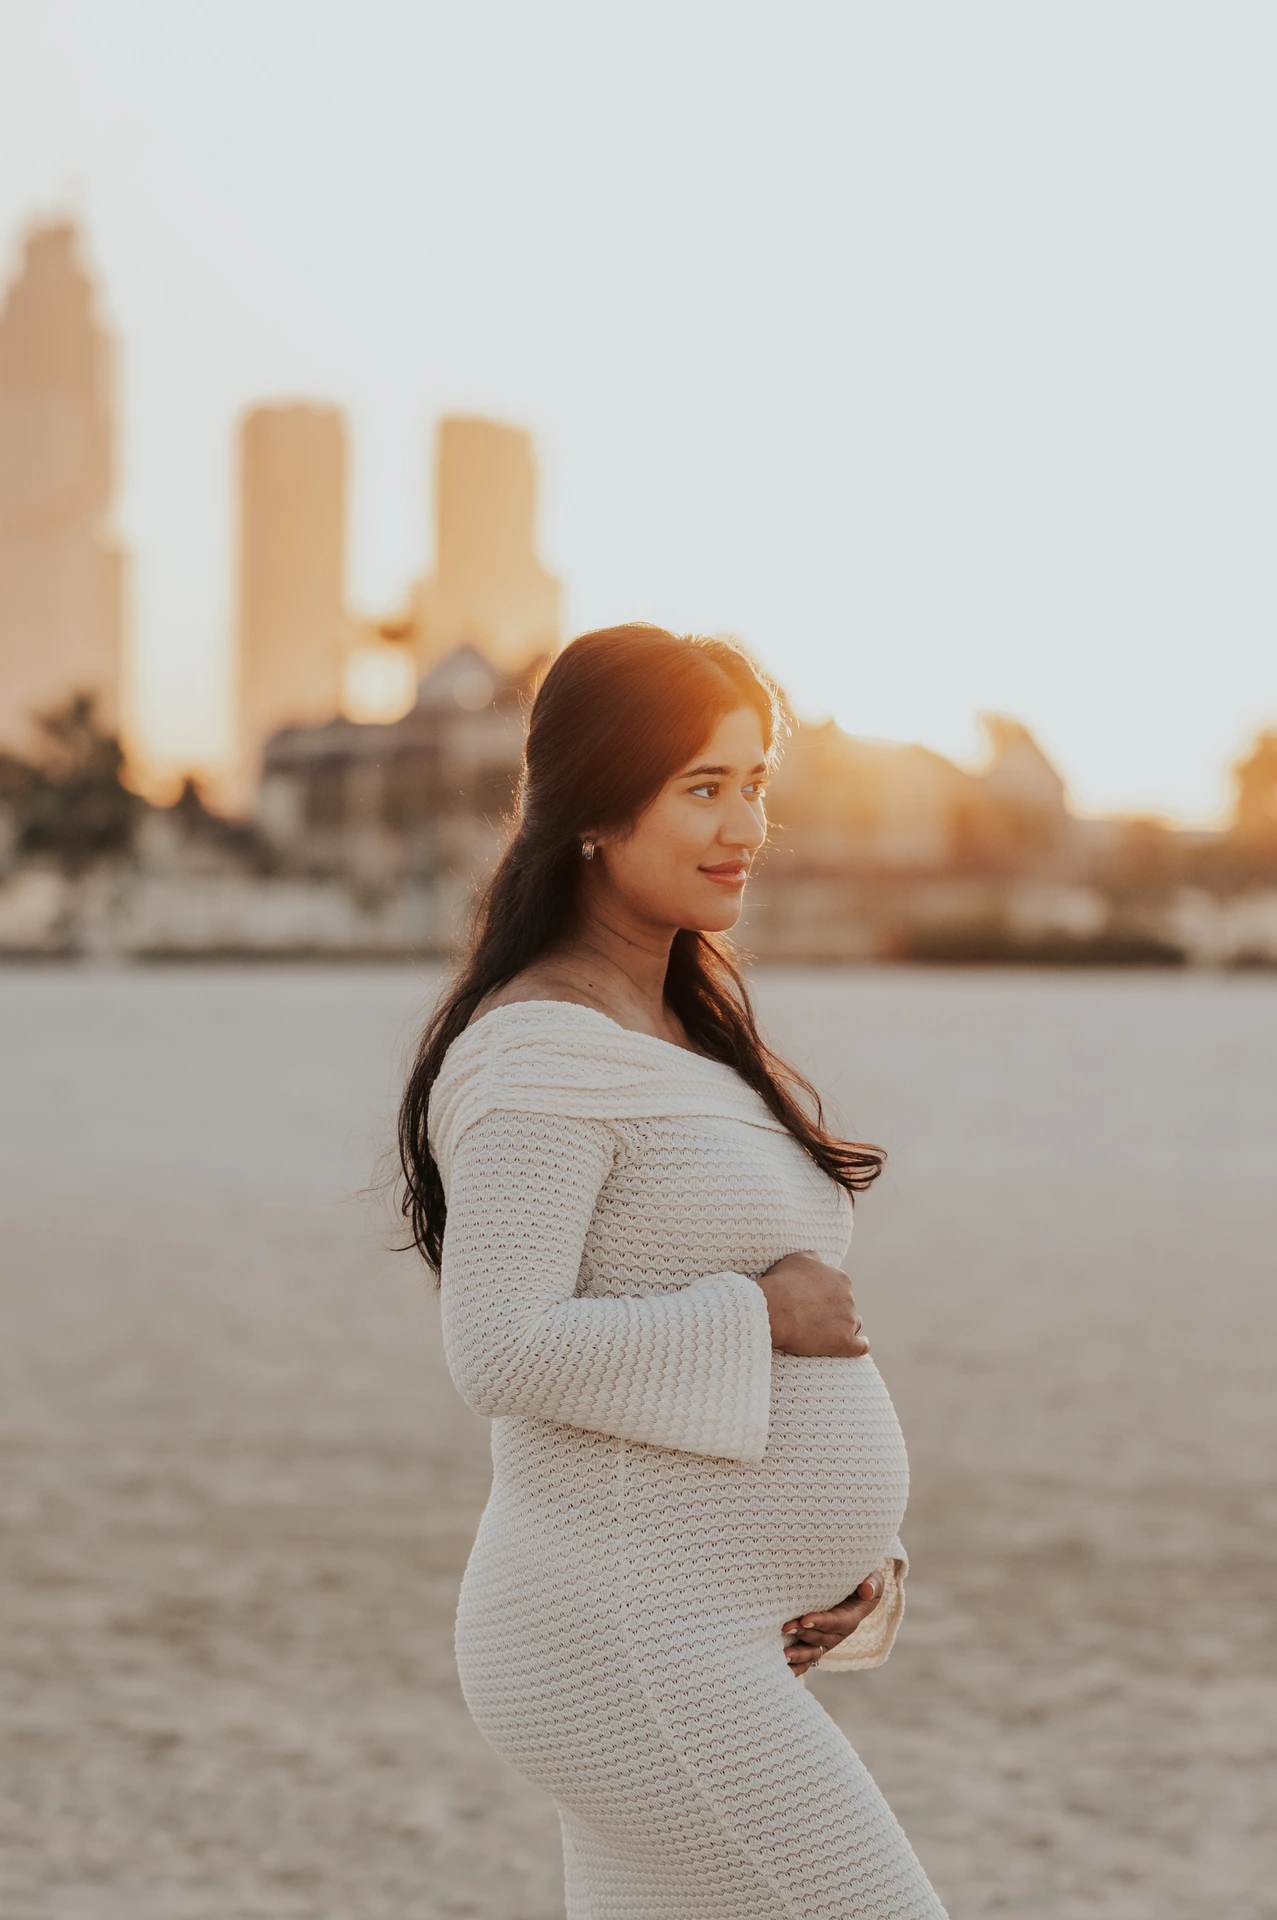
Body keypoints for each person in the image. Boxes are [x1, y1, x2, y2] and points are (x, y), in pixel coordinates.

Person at [399, 624, 947, 1918]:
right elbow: (501, 1346)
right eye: (703, 787)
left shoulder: (688, 1039)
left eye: (756, 782)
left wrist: (853, 1559)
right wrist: (759, 1316)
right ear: (593, 807)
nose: (744, 824)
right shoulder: (536, 1052)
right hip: (623, 1637)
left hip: (697, 1627)